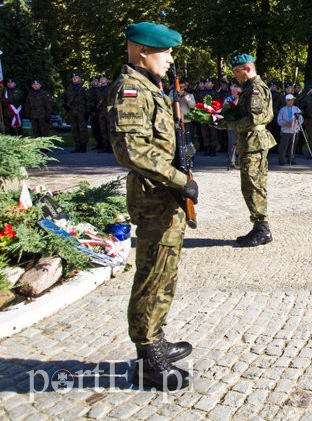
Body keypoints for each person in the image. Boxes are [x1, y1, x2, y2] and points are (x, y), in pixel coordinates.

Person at [108, 21, 196, 391]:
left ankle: (156, 338)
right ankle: (147, 357)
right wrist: (181, 181)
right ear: (143, 50)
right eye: (166, 51)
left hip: (165, 196)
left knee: (166, 271)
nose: (170, 57)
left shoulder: (150, 88)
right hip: (153, 196)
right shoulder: (130, 89)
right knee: (152, 272)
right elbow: (131, 150)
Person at [223, 54, 277, 245]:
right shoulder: (248, 88)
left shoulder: (255, 88)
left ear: (247, 69)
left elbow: (254, 118)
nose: (236, 76)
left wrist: (230, 125)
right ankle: (258, 226)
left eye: (237, 71)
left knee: (253, 184)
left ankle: (262, 229)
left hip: (255, 142)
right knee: (249, 184)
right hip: (250, 142)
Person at [62, 73, 90, 153]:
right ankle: (77, 145)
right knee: (74, 129)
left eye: (76, 77)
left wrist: (87, 111)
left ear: (80, 78)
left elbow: (88, 100)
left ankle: (83, 146)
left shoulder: (84, 88)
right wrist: (65, 105)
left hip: (81, 111)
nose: (74, 78)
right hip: (72, 111)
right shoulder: (69, 88)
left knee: (82, 129)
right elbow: (63, 98)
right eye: (73, 77)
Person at [277, 94, 303, 165]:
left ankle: (291, 159)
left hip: (294, 130)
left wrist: (296, 122)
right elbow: (279, 120)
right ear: (286, 101)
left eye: (292, 100)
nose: (291, 101)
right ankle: (281, 160)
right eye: (290, 100)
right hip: (285, 131)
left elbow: (301, 119)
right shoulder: (282, 110)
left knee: (293, 146)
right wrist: (285, 123)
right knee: (283, 146)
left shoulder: (297, 109)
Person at [223, 83, 240, 170]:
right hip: (231, 125)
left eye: (236, 91)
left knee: (241, 142)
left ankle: (241, 161)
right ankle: (232, 161)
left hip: (242, 124)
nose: (235, 92)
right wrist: (237, 99)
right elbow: (226, 109)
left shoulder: (244, 99)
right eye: (233, 91)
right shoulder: (228, 99)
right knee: (232, 143)